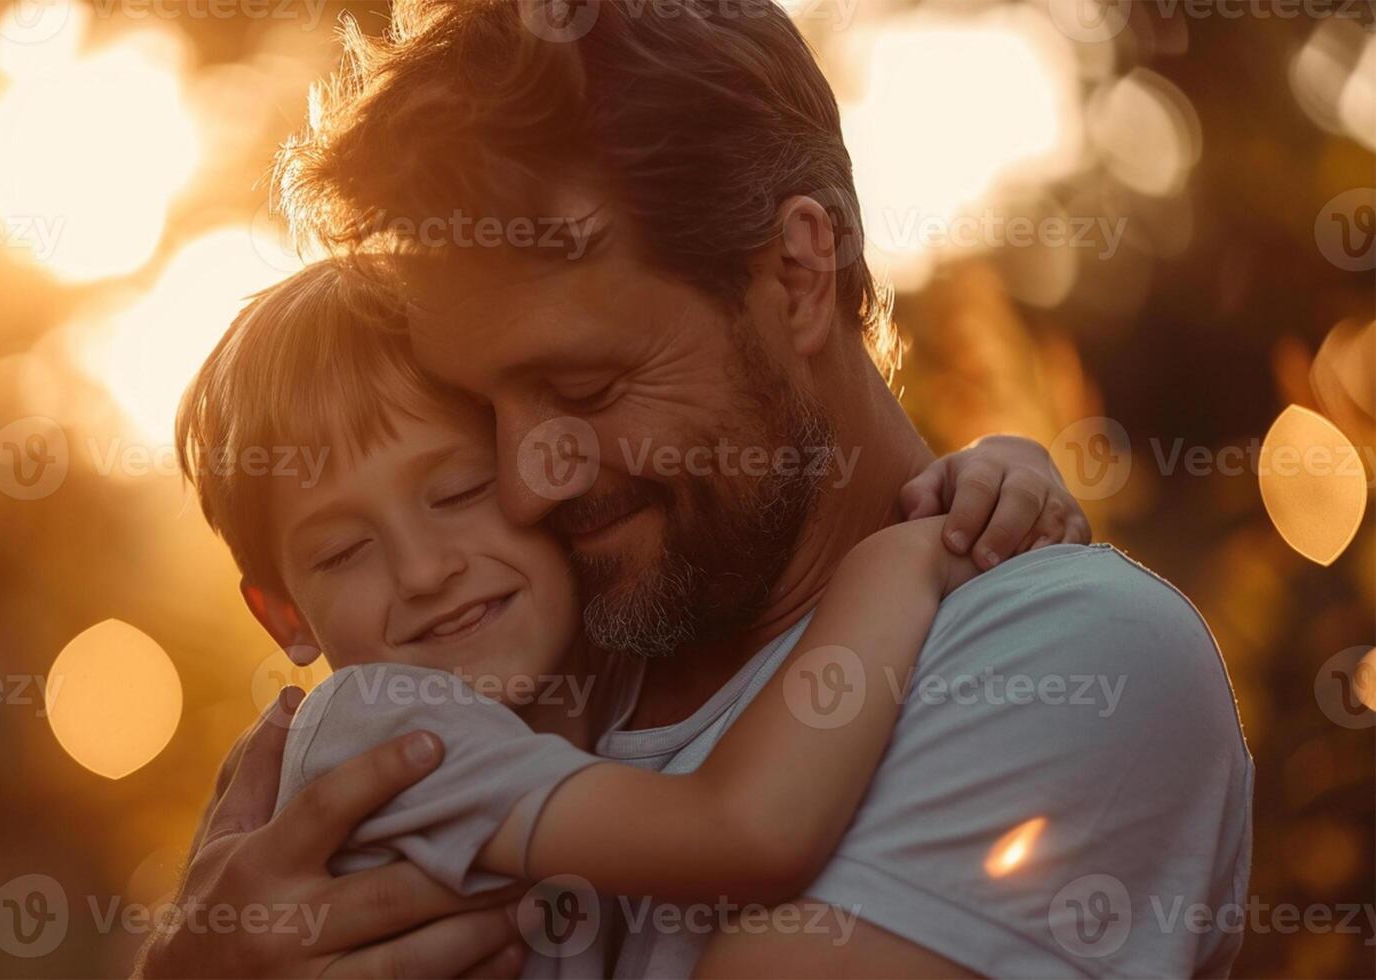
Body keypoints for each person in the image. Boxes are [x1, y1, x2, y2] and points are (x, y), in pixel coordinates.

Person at [142, 2, 1252, 976]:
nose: (530, 481)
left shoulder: (1067, 659)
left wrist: (944, 518)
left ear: (798, 275)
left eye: (582, 384)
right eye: (487, 414)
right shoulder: (558, 665)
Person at [156, 259, 1023, 977]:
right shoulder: (382, 728)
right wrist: (904, 557)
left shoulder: (611, 663)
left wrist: (993, 470)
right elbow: (744, 833)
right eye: (343, 551)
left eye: (460, 491)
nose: (424, 569)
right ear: (282, 619)